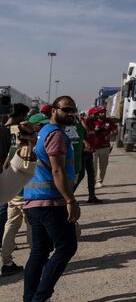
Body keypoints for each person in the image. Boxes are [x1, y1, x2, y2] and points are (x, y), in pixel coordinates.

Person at [23, 96, 81, 302]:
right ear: (54, 111)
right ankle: (40, 297)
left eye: (73, 110)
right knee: (66, 247)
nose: (70, 113)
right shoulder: (55, 134)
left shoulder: (43, 133)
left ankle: (30, 298)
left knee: (39, 252)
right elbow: (57, 170)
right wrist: (71, 201)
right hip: (50, 202)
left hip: (34, 201)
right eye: (66, 109)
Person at [1, 112, 44, 276]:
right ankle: (36, 260)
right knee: (32, 228)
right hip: (26, 195)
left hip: (13, 194)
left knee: (10, 226)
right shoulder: (29, 149)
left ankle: (6, 261)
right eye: (35, 129)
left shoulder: (14, 146)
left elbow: (6, 166)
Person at [86, 107, 115, 188]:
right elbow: (86, 129)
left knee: (103, 165)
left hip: (105, 147)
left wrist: (110, 135)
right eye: (101, 112)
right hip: (94, 147)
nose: (103, 114)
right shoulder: (91, 121)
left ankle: (99, 181)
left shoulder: (109, 121)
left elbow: (115, 130)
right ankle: (93, 181)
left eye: (104, 112)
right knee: (93, 166)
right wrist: (94, 130)